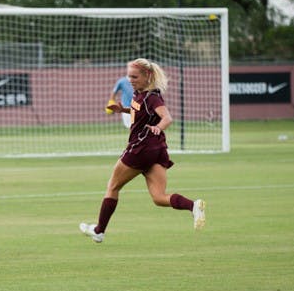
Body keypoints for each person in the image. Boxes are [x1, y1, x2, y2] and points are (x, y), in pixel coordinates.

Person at [80, 58, 205, 243]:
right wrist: (123, 109)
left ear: (148, 76)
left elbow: (167, 118)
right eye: (129, 76)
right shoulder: (140, 95)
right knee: (159, 197)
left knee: (113, 187)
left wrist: (159, 127)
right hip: (155, 151)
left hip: (140, 150)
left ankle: (99, 231)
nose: (130, 80)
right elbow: (139, 112)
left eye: (135, 76)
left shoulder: (152, 97)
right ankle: (193, 206)